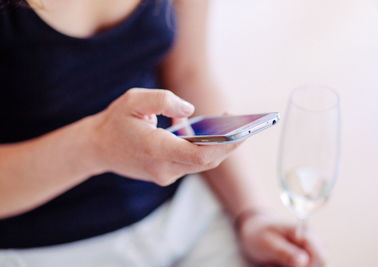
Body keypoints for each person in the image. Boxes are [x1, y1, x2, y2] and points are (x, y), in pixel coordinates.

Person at [0, 0, 324, 266]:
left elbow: (188, 72)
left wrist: (251, 214)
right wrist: (96, 145)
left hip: (184, 217)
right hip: (41, 248)